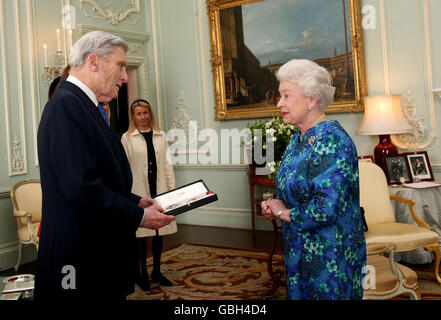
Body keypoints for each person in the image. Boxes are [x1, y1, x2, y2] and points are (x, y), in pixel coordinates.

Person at [35, 31, 175, 300]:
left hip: (94, 251)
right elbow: (80, 188)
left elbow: (97, 177)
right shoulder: (67, 105)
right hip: (78, 258)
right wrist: (139, 216)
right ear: (93, 61)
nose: (125, 76)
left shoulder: (84, 106)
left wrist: (135, 202)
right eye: (121, 65)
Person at [261, 59, 366, 300]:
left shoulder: (333, 140)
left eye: (287, 96)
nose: (279, 103)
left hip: (331, 256)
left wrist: (282, 213)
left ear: (312, 99)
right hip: (299, 250)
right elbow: (299, 189)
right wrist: (277, 204)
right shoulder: (298, 140)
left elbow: (325, 208)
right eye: (280, 96)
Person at [121, 99, 177, 291]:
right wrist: (128, 195)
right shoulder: (127, 138)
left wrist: (171, 188)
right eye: (138, 114)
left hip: (159, 188)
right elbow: (125, 168)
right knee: (141, 234)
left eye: (145, 113)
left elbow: (168, 163)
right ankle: (142, 272)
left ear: (150, 114)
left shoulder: (161, 136)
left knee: (159, 232)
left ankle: (157, 271)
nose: (143, 117)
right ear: (133, 117)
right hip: (139, 190)